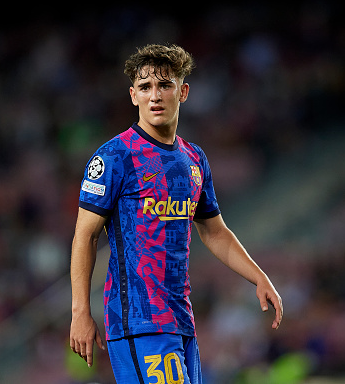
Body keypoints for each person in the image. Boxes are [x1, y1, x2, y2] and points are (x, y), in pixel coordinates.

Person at [69, 44, 283, 384]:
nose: (155, 95)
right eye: (145, 87)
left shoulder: (194, 159)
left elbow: (214, 231)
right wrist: (81, 311)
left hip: (181, 320)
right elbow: (85, 235)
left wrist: (258, 276)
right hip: (138, 322)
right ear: (133, 95)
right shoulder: (114, 157)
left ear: (182, 92)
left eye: (164, 85)